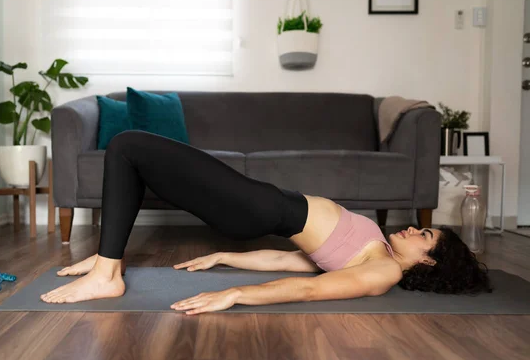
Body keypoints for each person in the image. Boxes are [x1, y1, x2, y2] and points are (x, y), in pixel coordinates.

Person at [40, 130, 492, 313]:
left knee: (126, 146)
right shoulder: (376, 254)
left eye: (424, 235)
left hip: (256, 206)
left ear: (429, 262)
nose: (413, 229)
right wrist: (224, 256)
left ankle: (106, 273)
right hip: (255, 207)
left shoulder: (385, 270)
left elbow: (310, 289)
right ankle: (107, 262)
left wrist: (236, 294)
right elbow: (294, 262)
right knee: (131, 157)